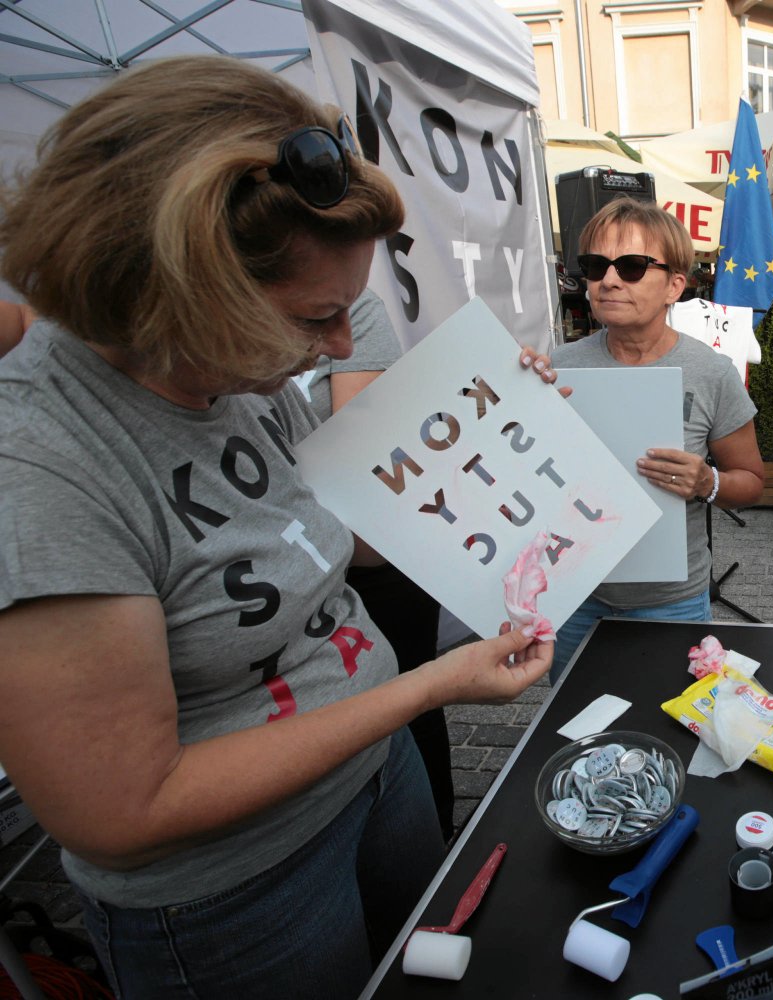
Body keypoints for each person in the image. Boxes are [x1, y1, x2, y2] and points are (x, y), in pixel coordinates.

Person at [0, 56, 551, 1000]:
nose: (338, 349)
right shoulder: (43, 463)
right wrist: (427, 688)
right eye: (316, 318)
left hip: (376, 783)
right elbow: (121, 812)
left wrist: (493, 435)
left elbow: (345, 540)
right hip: (234, 893)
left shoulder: (225, 371)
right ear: (179, 291)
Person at [532, 199, 764, 676]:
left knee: (667, 714)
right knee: (573, 714)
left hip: (672, 601)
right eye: (595, 266)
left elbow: (752, 481)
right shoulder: (559, 366)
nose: (608, 280)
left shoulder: (711, 372)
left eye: (632, 267)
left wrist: (707, 483)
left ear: (674, 285)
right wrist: (510, 397)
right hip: (574, 592)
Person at [295, 289, 455, 840]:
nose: (338, 344)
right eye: (314, 318)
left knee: (410, 717)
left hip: (374, 559)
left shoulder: (354, 305)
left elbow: (359, 464)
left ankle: (436, 840)